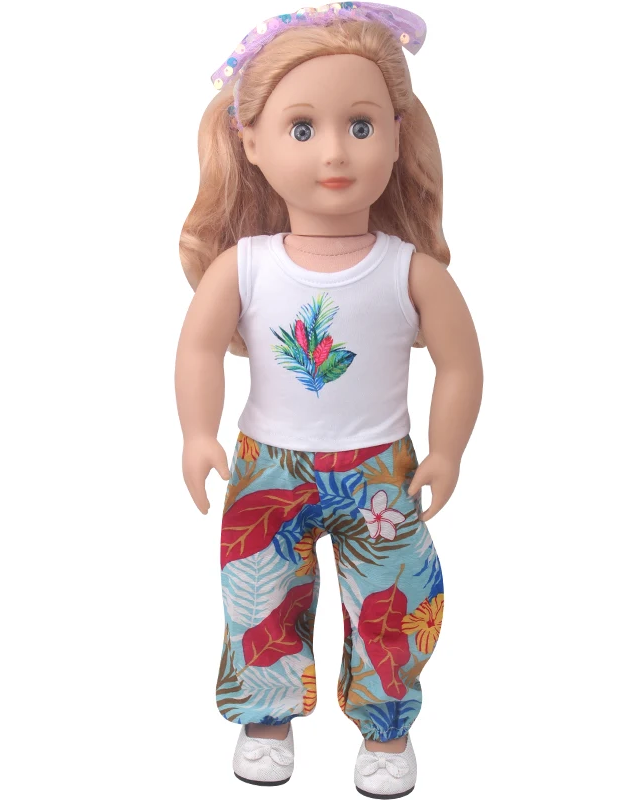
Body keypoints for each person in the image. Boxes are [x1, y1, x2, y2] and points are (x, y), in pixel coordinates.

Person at [175, 4, 483, 797]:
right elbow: (199, 348)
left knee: (397, 596)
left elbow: (460, 363)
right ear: (250, 141)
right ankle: (264, 720)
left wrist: (446, 451)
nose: (336, 152)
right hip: (267, 465)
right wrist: (198, 433)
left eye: (362, 125)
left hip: (381, 468)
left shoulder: (409, 271)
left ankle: (387, 729)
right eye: (303, 128)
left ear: (398, 135)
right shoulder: (245, 266)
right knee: (258, 595)